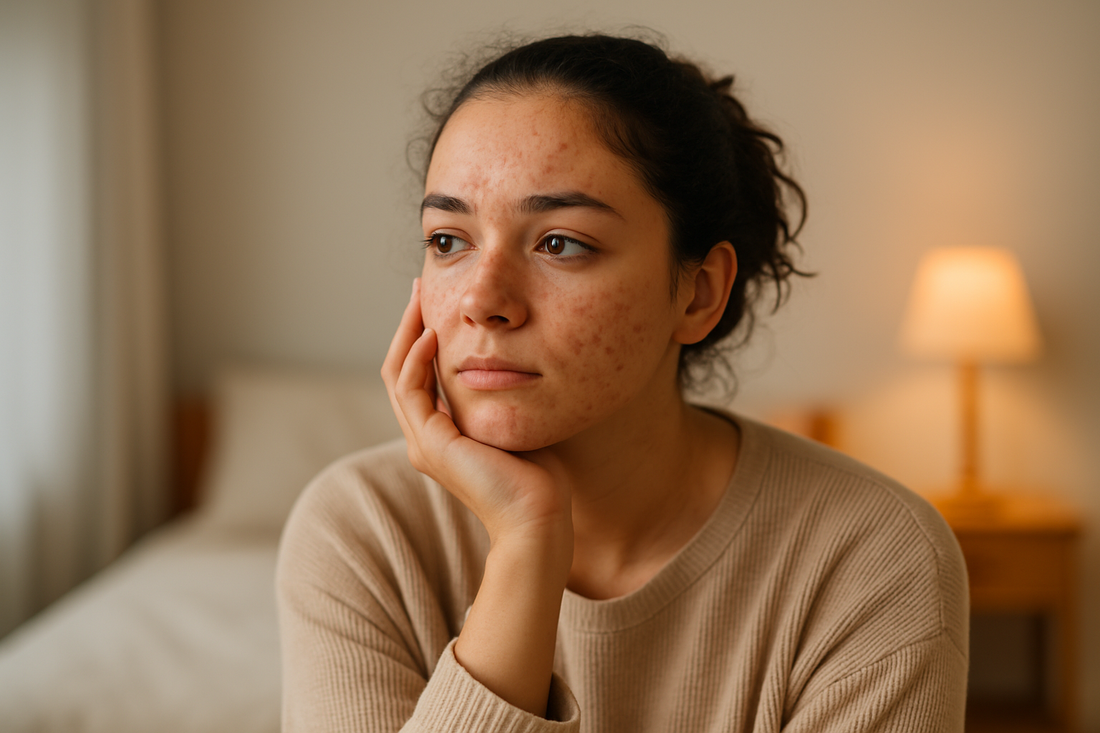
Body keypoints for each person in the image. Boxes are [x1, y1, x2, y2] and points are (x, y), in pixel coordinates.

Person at [276, 33, 968, 732]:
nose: (480, 299)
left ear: (697, 293)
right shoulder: (360, 530)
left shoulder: (874, 555)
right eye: (448, 240)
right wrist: (526, 543)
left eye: (560, 242)